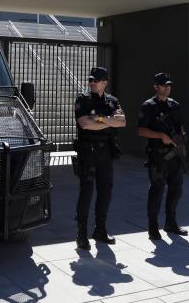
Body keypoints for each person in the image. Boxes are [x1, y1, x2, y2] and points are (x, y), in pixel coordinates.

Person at [73, 66, 126, 250]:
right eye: (90, 80)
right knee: (86, 192)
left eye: (96, 80)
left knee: (105, 192)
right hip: (88, 152)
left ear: (105, 82)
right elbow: (85, 124)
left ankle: (100, 229)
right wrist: (107, 121)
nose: (92, 83)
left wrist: (100, 119)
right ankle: (81, 233)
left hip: (106, 153)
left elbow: (122, 122)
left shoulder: (113, 100)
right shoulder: (82, 99)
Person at [137, 72, 188, 240]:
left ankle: (171, 223)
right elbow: (141, 130)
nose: (167, 88)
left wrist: (181, 137)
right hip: (158, 156)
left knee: (176, 190)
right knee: (157, 191)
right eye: (164, 85)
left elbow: (180, 127)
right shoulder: (148, 106)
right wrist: (161, 136)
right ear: (155, 86)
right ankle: (153, 226)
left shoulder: (175, 105)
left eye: (169, 85)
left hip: (175, 155)